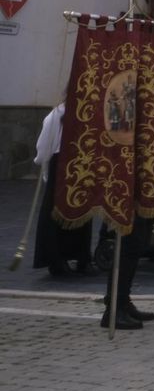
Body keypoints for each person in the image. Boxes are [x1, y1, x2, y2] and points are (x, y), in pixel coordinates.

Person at [31, 97, 94, 277]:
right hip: (61, 165)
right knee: (56, 213)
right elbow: (44, 147)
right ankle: (56, 260)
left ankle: (82, 257)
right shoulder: (56, 115)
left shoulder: (90, 112)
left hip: (82, 163)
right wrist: (43, 163)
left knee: (82, 212)